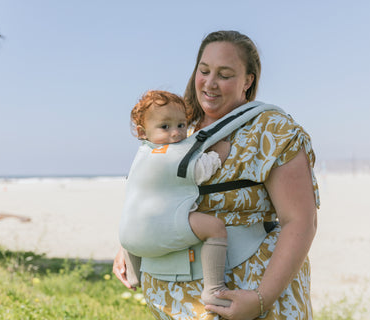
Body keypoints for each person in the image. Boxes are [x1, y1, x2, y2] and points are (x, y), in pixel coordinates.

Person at [114, 30, 319, 319]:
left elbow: (301, 220)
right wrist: (132, 242)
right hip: (174, 302)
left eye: (224, 74)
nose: (210, 83)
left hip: (245, 293)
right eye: (204, 70)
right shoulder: (178, 128)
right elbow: (151, 190)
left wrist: (261, 298)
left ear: (248, 80)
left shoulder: (271, 129)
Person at [119, 90, 232, 306]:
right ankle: (214, 289)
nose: (176, 134)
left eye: (181, 125)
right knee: (215, 228)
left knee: (130, 219)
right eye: (165, 127)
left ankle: (134, 276)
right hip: (162, 227)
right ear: (143, 132)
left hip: (129, 238)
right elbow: (200, 171)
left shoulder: (142, 154)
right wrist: (220, 153)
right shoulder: (171, 154)